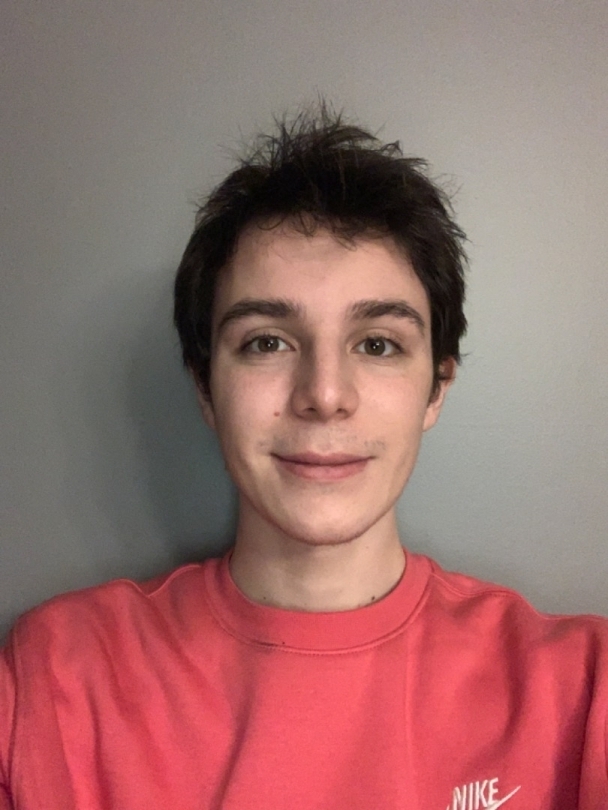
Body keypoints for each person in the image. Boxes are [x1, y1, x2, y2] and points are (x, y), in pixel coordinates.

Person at [1, 105, 607, 810]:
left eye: (378, 344)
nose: (324, 395)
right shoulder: (58, 680)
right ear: (205, 387)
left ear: (436, 388)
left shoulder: (581, 693)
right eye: (267, 342)